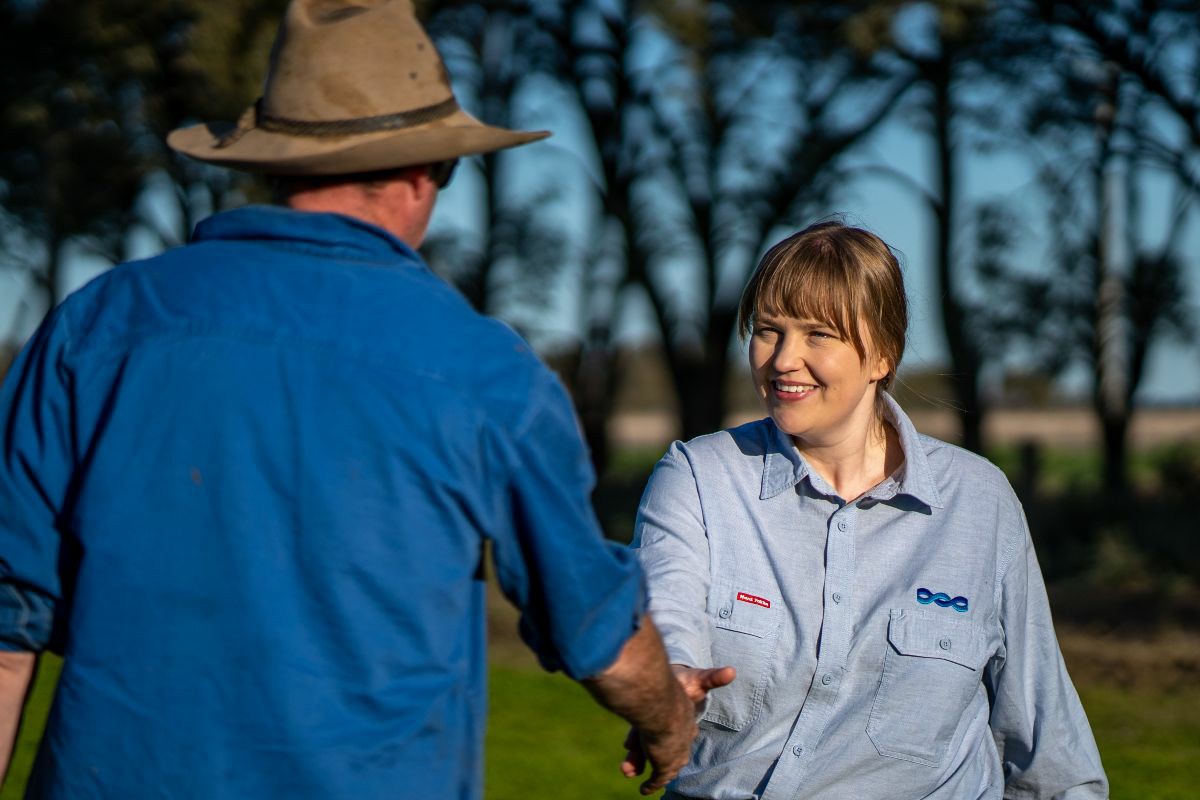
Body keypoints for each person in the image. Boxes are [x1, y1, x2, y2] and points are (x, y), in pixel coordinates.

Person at [0, 1, 724, 796]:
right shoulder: (483, 370)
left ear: (275, 165)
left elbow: (8, 627)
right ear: (423, 173)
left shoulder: (98, 325)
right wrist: (671, 724)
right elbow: (594, 626)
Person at [630, 221, 1109, 799]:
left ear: (883, 352)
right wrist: (666, 691)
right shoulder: (698, 478)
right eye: (767, 331)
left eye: (818, 335)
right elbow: (663, 619)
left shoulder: (979, 503)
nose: (784, 359)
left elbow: (1046, 746)